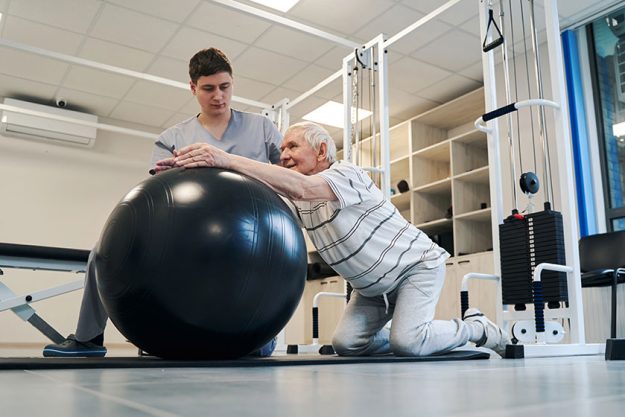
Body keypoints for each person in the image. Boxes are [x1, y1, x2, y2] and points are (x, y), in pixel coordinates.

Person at [154, 121, 511, 357]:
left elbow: (304, 187)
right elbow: (257, 194)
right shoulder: (298, 197)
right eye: (282, 149)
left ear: (322, 151)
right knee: (346, 344)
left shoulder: (347, 174)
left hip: (415, 268)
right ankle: (416, 330)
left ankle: (477, 327)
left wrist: (224, 156)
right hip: (372, 288)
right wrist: (199, 168)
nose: (284, 155)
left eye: (292, 146)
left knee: (408, 343)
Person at [43, 47, 282, 358]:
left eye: (225, 87)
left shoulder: (262, 128)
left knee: (255, 326)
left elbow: (285, 176)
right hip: (189, 230)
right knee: (101, 253)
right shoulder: (172, 137)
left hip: (250, 234)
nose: (219, 96)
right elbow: (160, 188)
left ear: (232, 83)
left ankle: (258, 336)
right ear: (193, 88)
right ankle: (90, 338)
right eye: (208, 88)